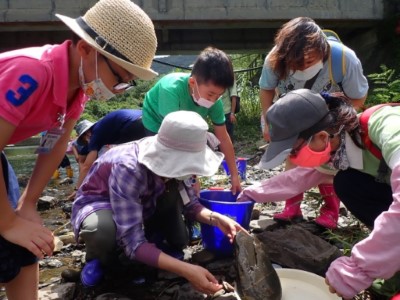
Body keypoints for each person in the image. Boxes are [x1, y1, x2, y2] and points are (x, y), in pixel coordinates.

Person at [0, 0, 157, 298]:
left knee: (24, 244)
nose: (116, 90)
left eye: (126, 84)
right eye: (119, 79)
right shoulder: (33, 72)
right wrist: (7, 221)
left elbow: (56, 144)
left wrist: (29, 203)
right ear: (86, 49)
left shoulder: (77, 90)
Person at [238, 89, 400, 299]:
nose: (294, 159)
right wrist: (250, 194)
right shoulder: (336, 150)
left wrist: (359, 267)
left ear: (322, 136)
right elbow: (298, 178)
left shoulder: (386, 125)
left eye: (293, 152)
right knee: (347, 183)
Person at [71, 111, 245, 294]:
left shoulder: (178, 164)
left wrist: (217, 219)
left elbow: (191, 205)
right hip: (101, 202)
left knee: (179, 240)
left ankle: (152, 243)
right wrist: (187, 271)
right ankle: (98, 259)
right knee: (102, 232)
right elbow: (133, 242)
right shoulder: (128, 167)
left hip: (143, 199)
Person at [258, 17, 369, 228]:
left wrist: (333, 125)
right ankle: (292, 205)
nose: (302, 68)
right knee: (293, 154)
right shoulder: (275, 58)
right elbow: (266, 89)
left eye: (308, 62)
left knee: (327, 159)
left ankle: (330, 211)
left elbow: (358, 98)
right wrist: (268, 121)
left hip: (330, 116)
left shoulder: (344, 58)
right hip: (293, 111)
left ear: (322, 50)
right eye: (295, 64)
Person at [142, 47, 242, 194]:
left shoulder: (215, 101)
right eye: (210, 94)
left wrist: (234, 175)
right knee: (159, 168)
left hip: (183, 125)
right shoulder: (171, 89)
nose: (213, 100)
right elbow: (176, 138)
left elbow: (223, 137)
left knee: (184, 179)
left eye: (218, 95)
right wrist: (193, 178)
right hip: (156, 120)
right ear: (192, 82)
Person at [68, 109, 145, 200]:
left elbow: (86, 166)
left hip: (134, 124)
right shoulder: (102, 128)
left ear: (87, 133)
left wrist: (77, 189)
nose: (85, 140)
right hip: (147, 117)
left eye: (83, 138)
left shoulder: (95, 134)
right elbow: (83, 157)